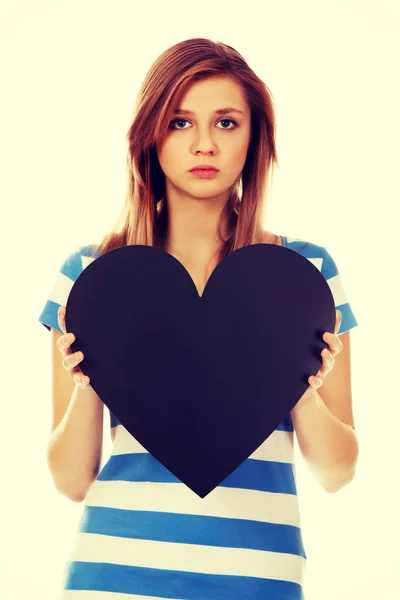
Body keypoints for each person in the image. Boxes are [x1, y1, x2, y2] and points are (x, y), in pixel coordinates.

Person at [38, 37, 359, 600]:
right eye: (181, 122)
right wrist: (90, 378)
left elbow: (337, 473)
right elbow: (70, 481)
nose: (204, 144)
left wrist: (298, 380)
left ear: (254, 138)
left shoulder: (305, 273)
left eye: (227, 123)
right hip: (114, 573)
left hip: (260, 577)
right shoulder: (91, 274)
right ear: (151, 135)